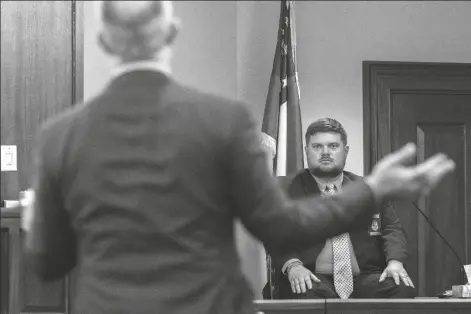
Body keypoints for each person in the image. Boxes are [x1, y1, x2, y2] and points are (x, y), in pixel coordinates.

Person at [23, 2, 454, 314]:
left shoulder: (59, 135)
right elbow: (281, 225)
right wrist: (375, 189)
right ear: (172, 33)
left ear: (102, 40)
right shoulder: (222, 121)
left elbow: (47, 261)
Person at [266, 118, 416, 300]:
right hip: (311, 275)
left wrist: (395, 262)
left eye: (333, 146)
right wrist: (293, 266)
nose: (325, 152)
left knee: (399, 286)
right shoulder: (285, 189)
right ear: (306, 151)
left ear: (345, 151)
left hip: (365, 278)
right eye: (317, 147)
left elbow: (392, 229)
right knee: (304, 290)